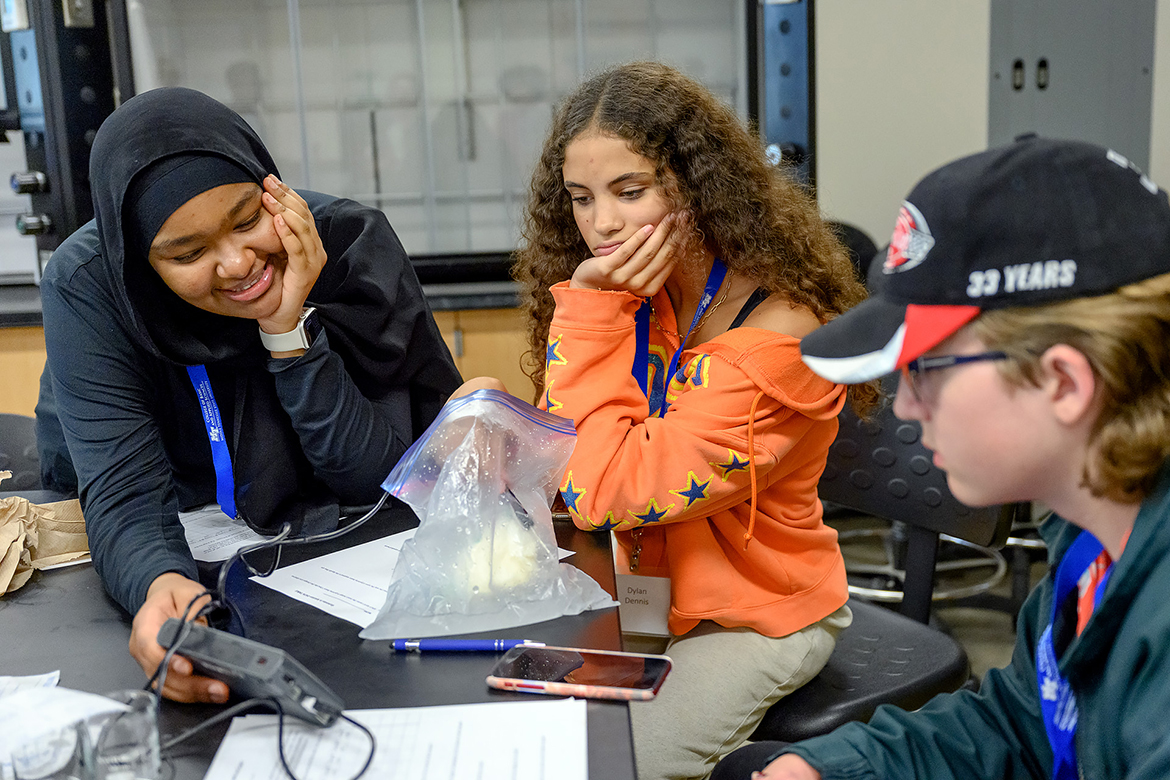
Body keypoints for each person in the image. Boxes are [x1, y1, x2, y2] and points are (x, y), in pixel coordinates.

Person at [460, 61, 874, 780]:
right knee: (510, 725)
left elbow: (603, 490)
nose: (603, 224)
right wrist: (500, 427)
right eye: (581, 198)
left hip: (756, 615)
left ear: (699, 185)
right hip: (647, 600)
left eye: (631, 190)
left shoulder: (779, 335)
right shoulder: (642, 297)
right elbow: (579, 457)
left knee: (610, 762)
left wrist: (587, 309)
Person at [711, 136, 1170, 780]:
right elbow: (1021, 724)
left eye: (926, 367)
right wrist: (834, 770)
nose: (906, 407)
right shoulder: (1092, 532)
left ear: (1064, 382)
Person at [34, 87, 461, 704]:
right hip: (155, 497)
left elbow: (381, 480)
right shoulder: (90, 286)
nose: (236, 264)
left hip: (314, 552)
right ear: (140, 262)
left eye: (246, 219)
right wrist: (161, 584)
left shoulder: (346, 246)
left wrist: (289, 337)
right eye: (187, 253)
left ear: (272, 188)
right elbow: (125, 495)